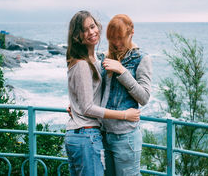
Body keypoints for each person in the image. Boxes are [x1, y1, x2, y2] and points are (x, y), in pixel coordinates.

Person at [64, 10, 140, 176]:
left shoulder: (94, 61)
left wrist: (75, 105)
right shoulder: (83, 64)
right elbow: (88, 108)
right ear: (77, 36)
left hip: (80, 135)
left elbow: (85, 98)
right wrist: (124, 115)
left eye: (92, 26)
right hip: (86, 135)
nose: (91, 32)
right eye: (85, 30)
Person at [99, 14, 152, 176]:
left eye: (120, 38)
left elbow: (144, 97)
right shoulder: (105, 57)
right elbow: (98, 92)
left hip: (125, 138)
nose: (116, 43)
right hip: (103, 134)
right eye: (112, 38)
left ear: (131, 33)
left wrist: (122, 71)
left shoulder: (142, 59)